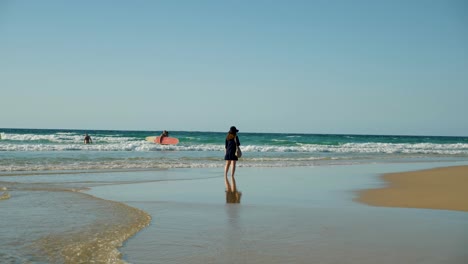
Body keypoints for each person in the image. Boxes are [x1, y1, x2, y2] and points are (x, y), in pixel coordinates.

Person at [224, 126, 240, 194]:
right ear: (234, 132)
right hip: (233, 151)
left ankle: (225, 174)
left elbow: (226, 146)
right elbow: (238, 145)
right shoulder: (235, 137)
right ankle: (232, 175)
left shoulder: (227, 137)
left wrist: (226, 152)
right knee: (233, 163)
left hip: (228, 151)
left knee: (227, 163)